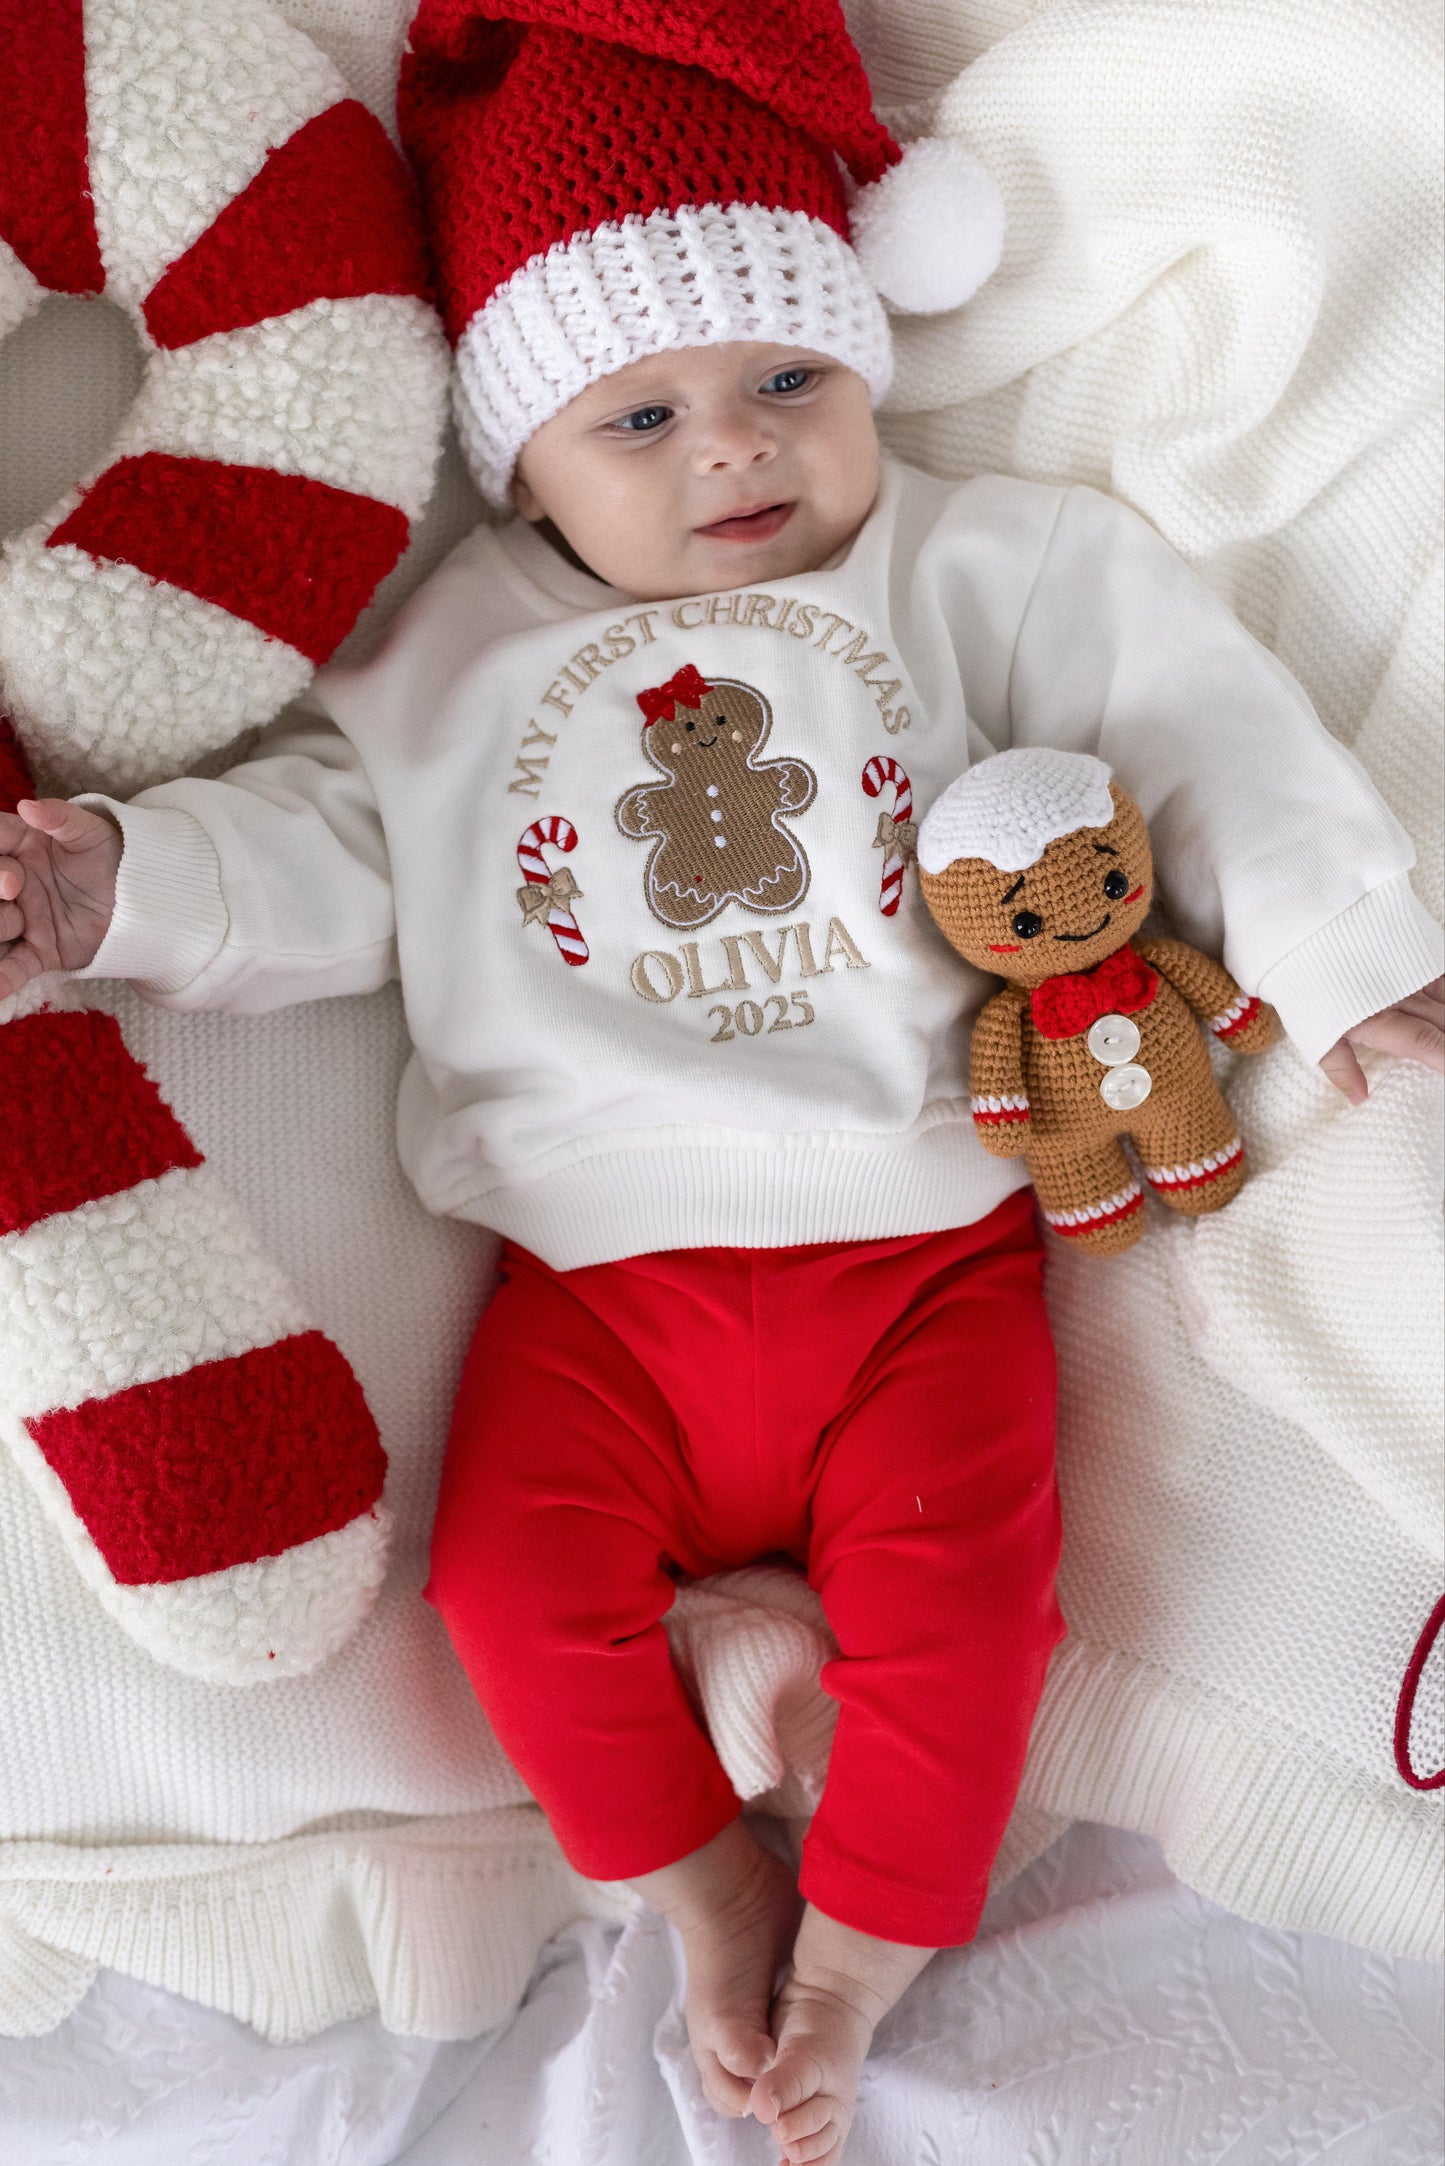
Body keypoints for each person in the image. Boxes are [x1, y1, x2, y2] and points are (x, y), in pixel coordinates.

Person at [1, 5, 1440, 2158]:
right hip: (595, 1301)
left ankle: (865, 1949)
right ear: (519, 455)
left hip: (926, 1262)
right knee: (499, 1592)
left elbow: (1201, 714)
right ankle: (688, 1886)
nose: (732, 452)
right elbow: (313, 853)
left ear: (865, 357)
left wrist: (1340, 954)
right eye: (640, 413)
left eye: (788, 377)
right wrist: (120, 888)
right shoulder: (454, 657)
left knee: (973, 1620)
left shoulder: (973, 561)